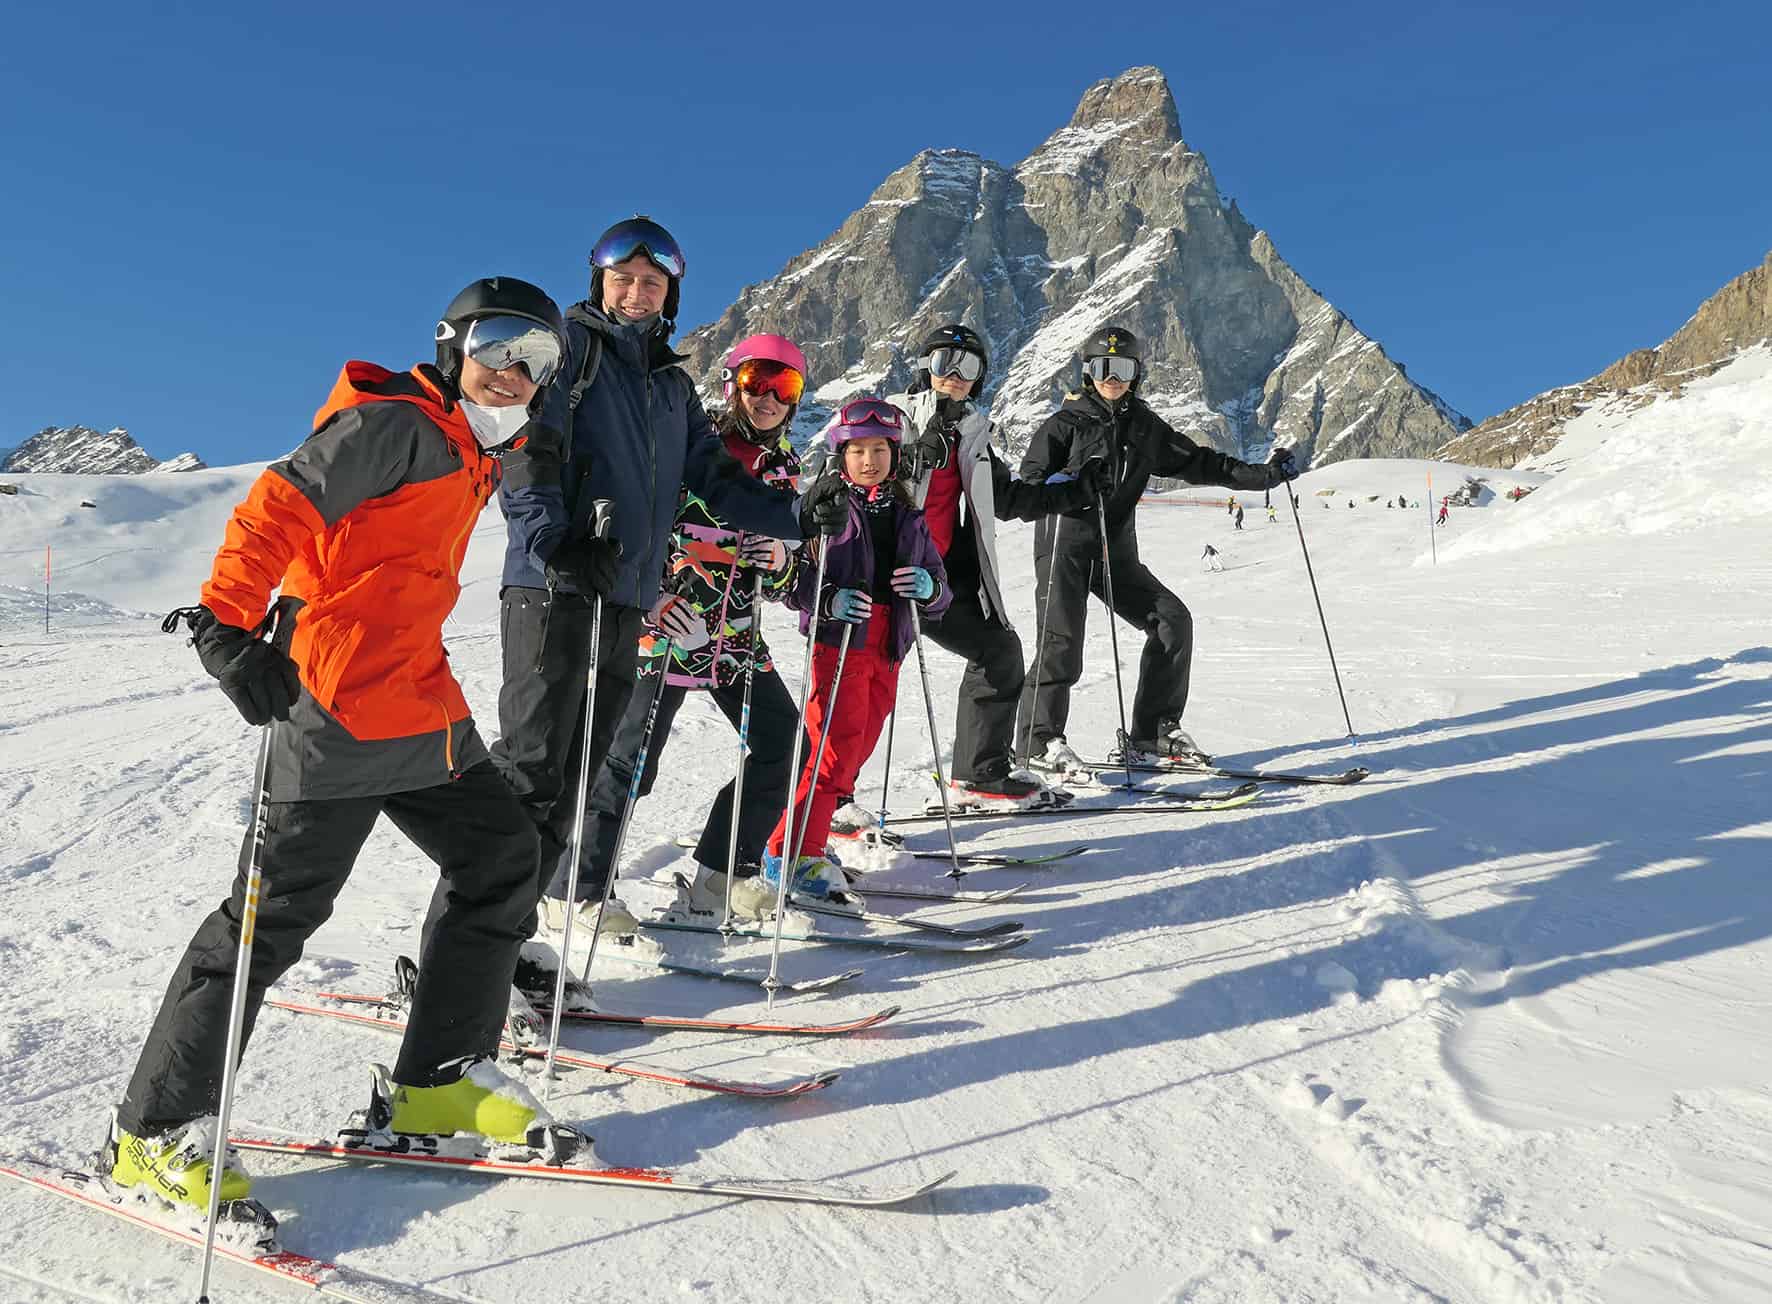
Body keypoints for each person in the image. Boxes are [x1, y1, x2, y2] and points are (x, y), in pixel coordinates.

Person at [110, 278, 579, 1211]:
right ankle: (153, 1133)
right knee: (267, 920)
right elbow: (277, 506)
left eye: (539, 359)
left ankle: (439, 1076)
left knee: (500, 855)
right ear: (452, 348)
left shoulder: (473, 447)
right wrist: (224, 626)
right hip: (330, 708)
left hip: (420, 704)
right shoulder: (393, 426)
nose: (514, 371)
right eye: (499, 344)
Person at [491, 217, 838, 956]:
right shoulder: (568, 352)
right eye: (625, 280)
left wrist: (796, 517)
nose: (639, 293)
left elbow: (713, 480)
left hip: (639, 600)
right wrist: (553, 544)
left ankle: (585, 900)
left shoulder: (668, 388)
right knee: (567, 762)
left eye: (654, 282)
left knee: (598, 758)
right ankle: (550, 903)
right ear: (600, 282)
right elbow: (527, 451)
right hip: (570, 590)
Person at [803, 325, 1102, 811]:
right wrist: (910, 458)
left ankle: (980, 772)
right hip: (880, 582)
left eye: (970, 367)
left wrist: (1078, 490)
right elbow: (847, 477)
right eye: (946, 363)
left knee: (999, 651)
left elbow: (1006, 499)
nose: (956, 377)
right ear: (927, 368)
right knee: (861, 696)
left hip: (939, 582)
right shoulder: (894, 419)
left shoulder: (973, 432)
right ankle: (832, 803)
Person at [576, 335, 810, 925]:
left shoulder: (785, 471)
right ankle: (576, 893)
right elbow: (636, 522)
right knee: (629, 765)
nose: (767, 397)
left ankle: (721, 876)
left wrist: (781, 564)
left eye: (784, 387)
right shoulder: (687, 444)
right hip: (668, 635)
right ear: (733, 382)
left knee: (783, 744)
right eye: (757, 380)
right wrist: (650, 596)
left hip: (734, 643)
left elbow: (784, 586)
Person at [1019, 325, 1294, 766]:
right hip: (1064, 546)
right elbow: (1030, 487)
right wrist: (1075, 485)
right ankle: (1039, 746)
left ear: (1137, 373)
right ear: (1088, 373)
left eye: (1123, 368)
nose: (1113, 377)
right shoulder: (1063, 426)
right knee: (1061, 643)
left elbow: (1201, 462)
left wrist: (1264, 477)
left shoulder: (1145, 428)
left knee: (1171, 621)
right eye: (1103, 367)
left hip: (1116, 552)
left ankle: (1152, 735)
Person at [761, 400, 950, 895]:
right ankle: (789, 851)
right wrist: (827, 599)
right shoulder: (827, 508)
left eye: (880, 449)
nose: (870, 460)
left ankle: (817, 831)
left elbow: (940, 581)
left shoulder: (908, 512)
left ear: (896, 454)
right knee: (832, 750)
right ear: (840, 455)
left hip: (889, 644)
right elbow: (789, 580)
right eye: (859, 450)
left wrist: (929, 589)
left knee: (861, 741)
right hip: (841, 642)